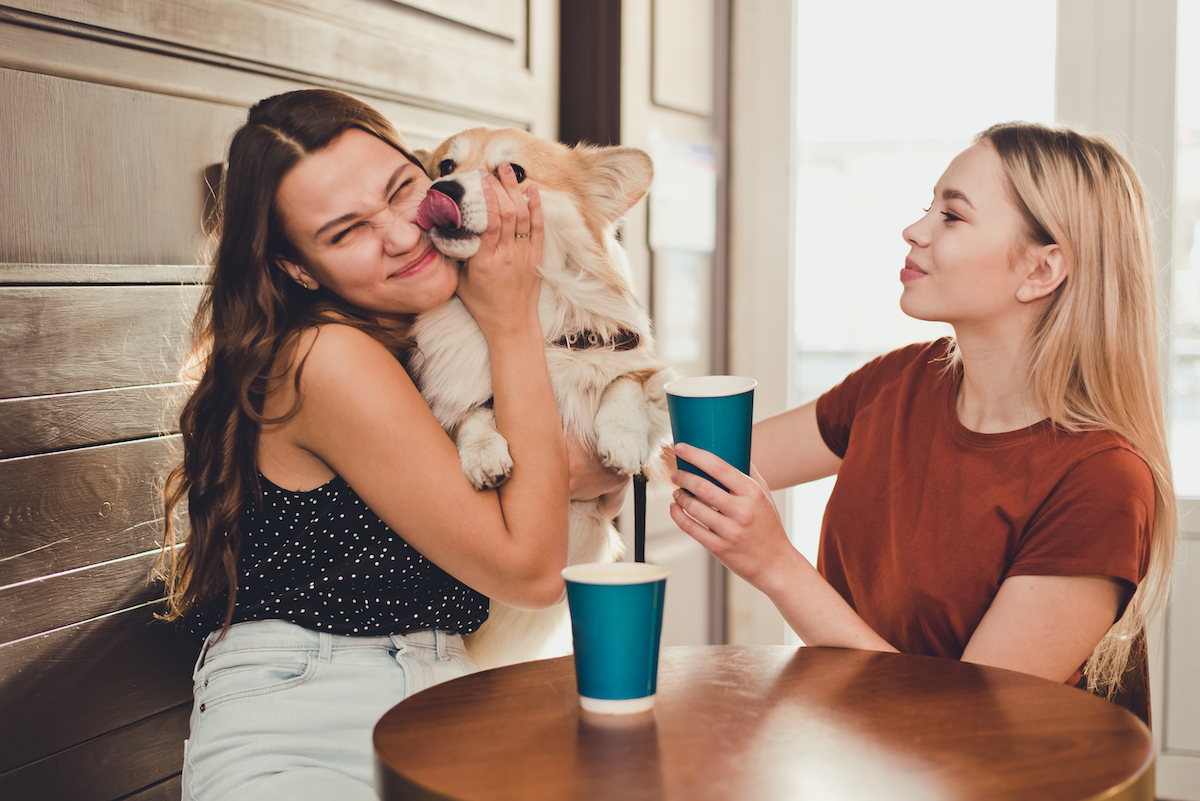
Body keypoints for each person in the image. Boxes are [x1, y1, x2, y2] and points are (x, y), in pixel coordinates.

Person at [156, 88, 626, 800]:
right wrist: (511, 319)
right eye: (346, 231)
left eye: (403, 189)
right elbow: (531, 566)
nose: (403, 235)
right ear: (299, 270)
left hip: (437, 698)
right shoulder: (327, 356)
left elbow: (581, 465)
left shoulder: (415, 337)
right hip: (311, 720)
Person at [669, 122, 1177, 719]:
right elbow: (700, 465)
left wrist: (774, 564)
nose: (914, 231)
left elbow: (967, 725)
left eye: (953, 216)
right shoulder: (899, 383)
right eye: (927, 208)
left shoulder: (1102, 481)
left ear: (1042, 271)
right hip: (871, 751)